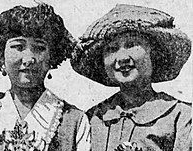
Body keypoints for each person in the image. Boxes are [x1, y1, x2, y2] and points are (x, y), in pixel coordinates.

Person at [71, 4, 192, 151]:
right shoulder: (93, 118)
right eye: (112, 49)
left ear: (152, 54)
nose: (122, 58)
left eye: (132, 45)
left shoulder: (181, 115)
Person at [0, 3, 90, 151]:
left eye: (39, 48)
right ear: (1, 58)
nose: (28, 59)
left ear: (51, 59)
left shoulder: (75, 120)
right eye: (18, 47)